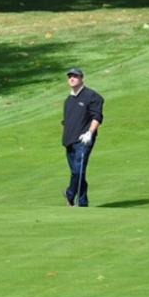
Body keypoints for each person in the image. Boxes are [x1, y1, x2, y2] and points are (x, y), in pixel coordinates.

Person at [61, 67, 103, 207]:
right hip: (69, 141)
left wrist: (90, 133)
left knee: (78, 170)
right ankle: (83, 202)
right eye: (70, 77)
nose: (72, 78)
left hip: (83, 140)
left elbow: (97, 116)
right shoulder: (68, 100)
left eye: (75, 76)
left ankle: (70, 194)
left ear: (81, 78)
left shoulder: (91, 96)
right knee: (77, 173)